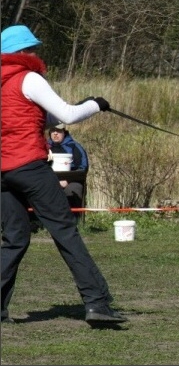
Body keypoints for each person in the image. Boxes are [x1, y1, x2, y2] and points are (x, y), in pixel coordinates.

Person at [1, 24, 127, 325]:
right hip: (30, 166)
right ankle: (97, 303)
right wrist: (95, 105)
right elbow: (68, 117)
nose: (35, 53)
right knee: (65, 231)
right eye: (31, 49)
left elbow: (42, 119)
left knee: (15, 238)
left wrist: (82, 105)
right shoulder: (28, 77)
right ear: (22, 53)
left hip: (3, 172)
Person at [47, 123, 88, 222]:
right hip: (48, 180)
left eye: (59, 131)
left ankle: (74, 221)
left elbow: (83, 168)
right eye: (53, 131)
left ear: (64, 132)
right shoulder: (44, 147)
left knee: (73, 189)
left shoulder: (75, 147)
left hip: (71, 181)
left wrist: (68, 180)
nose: (55, 134)